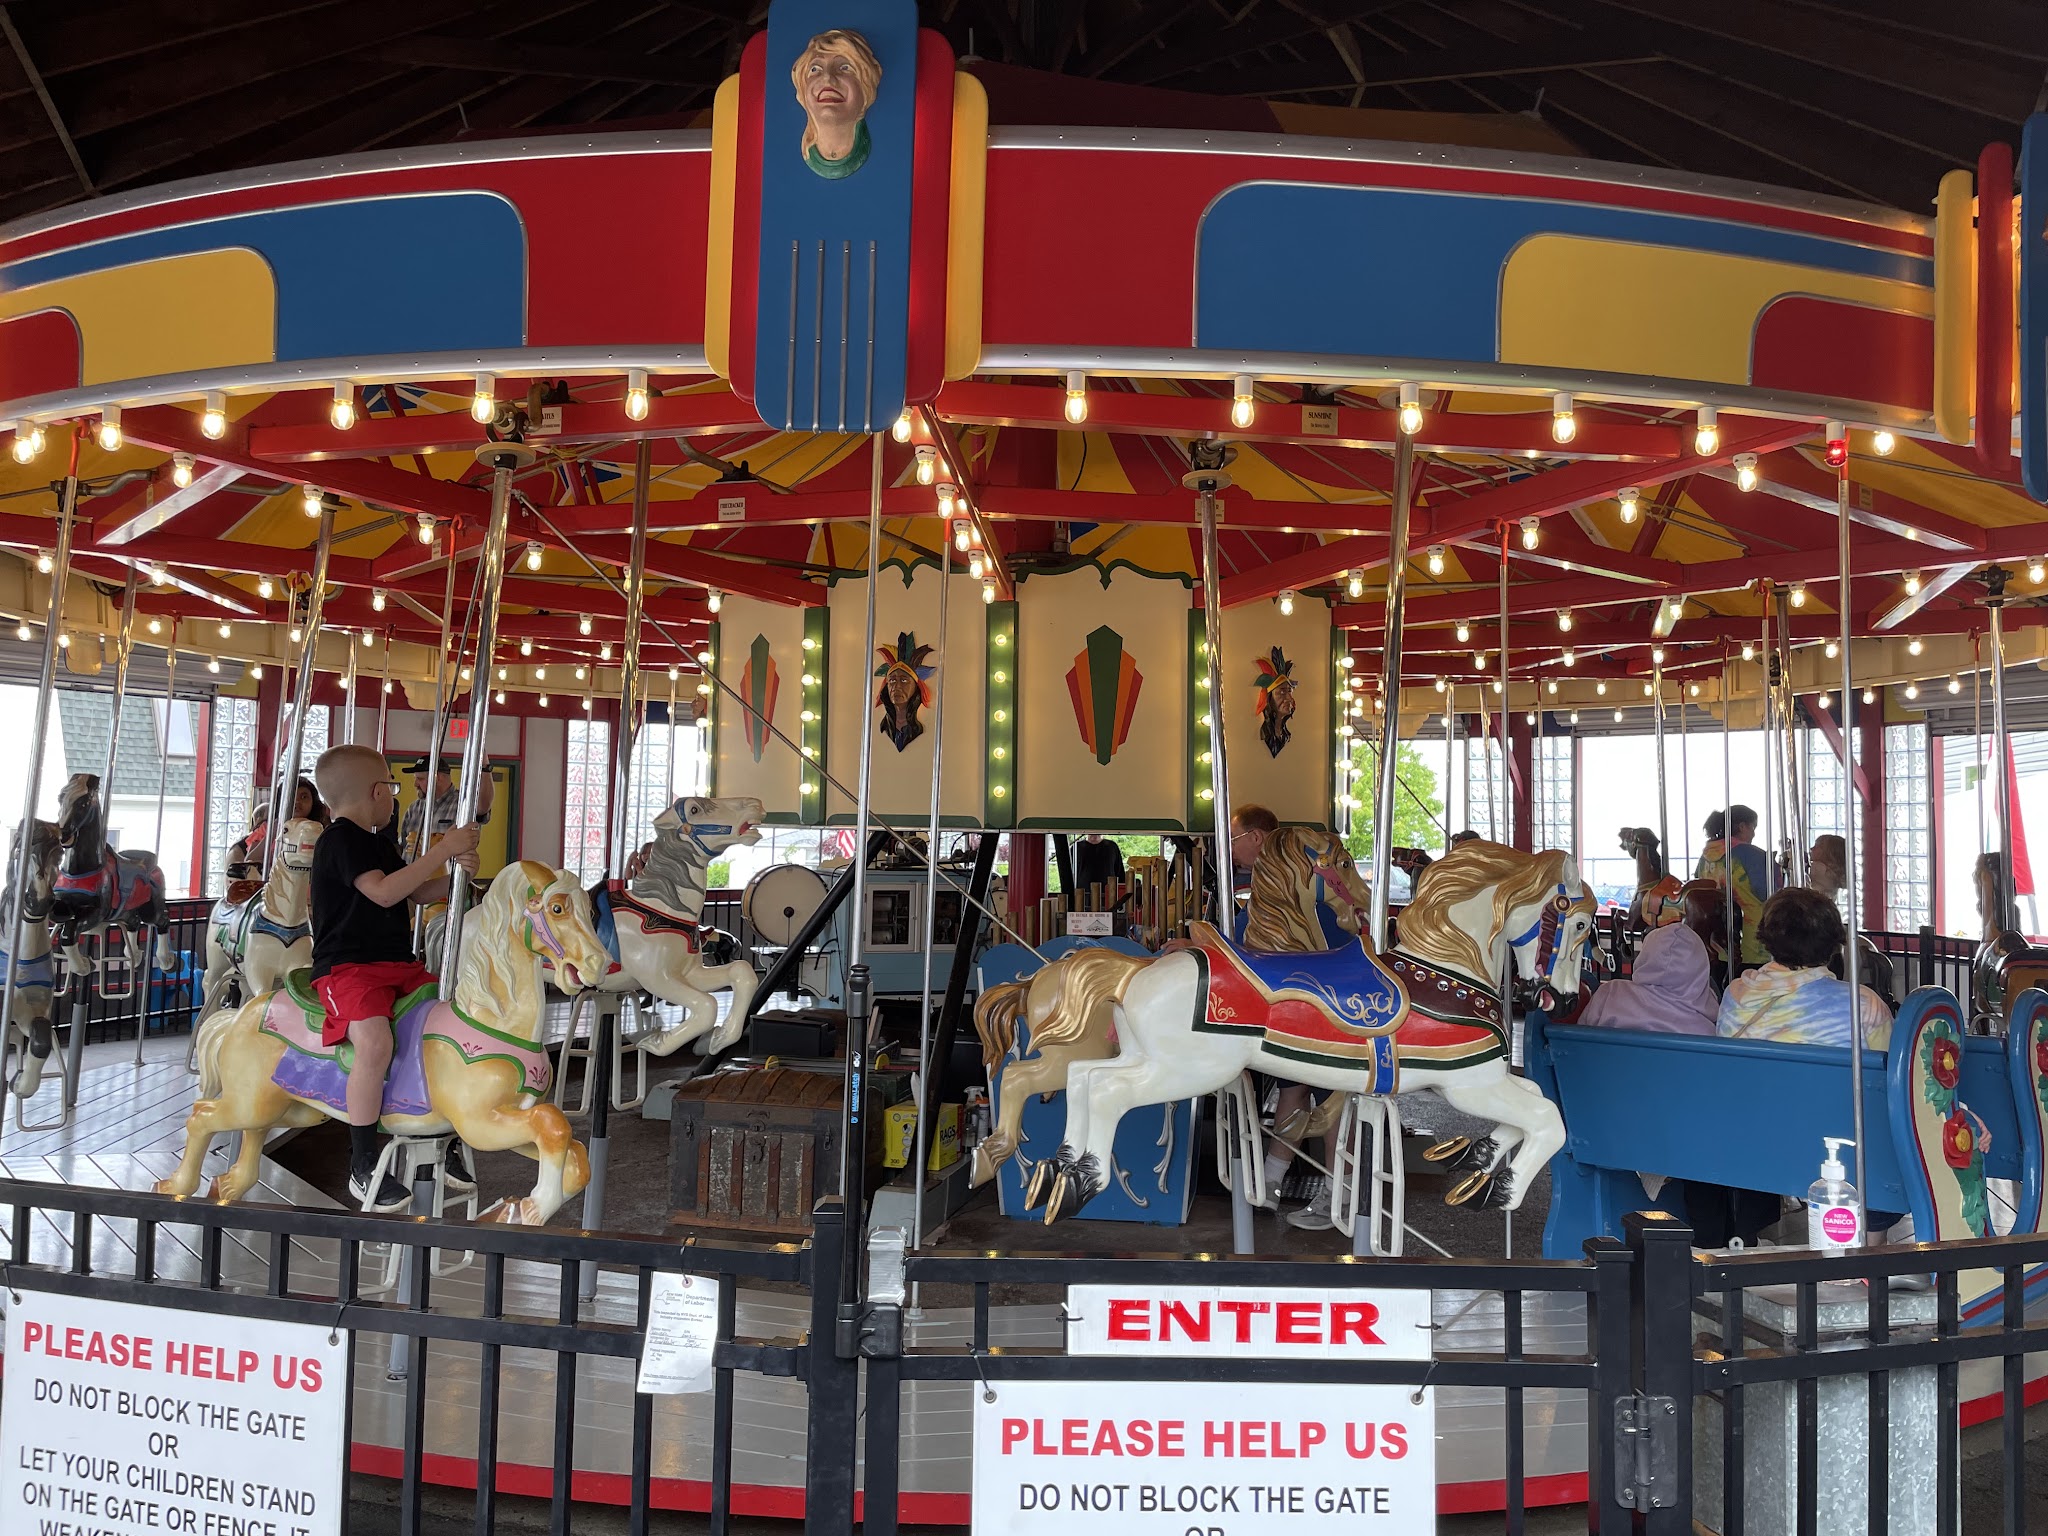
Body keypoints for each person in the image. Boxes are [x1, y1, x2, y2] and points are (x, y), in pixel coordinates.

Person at [310, 745, 480, 1211]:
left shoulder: (376, 840)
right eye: (393, 787)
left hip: (397, 965)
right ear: (377, 791)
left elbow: (416, 890)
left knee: (447, 1025)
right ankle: (363, 1163)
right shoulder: (339, 840)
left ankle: (445, 1136)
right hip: (348, 968)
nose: (395, 798)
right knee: (376, 1044)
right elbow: (385, 894)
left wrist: (455, 877)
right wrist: (443, 848)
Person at [1718, 887, 1892, 1050]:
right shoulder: (1863, 1004)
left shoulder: (1735, 994)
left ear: (1767, 937)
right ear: (1834, 941)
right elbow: (1890, 1071)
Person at [1580, 923, 1719, 1034]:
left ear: (1645, 956)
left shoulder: (1609, 994)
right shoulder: (1706, 1030)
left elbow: (1577, 1038)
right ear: (1700, 965)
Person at [1695, 806, 1775, 967]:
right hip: (1754, 942)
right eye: (1753, 827)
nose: (1753, 833)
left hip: (1717, 942)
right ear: (1742, 826)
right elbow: (1767, 893)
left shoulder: (1705, 858)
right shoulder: (1753, 855)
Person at [401, 758, 458, 854]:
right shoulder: (414, 808)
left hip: (443, 869)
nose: (415, 784)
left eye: (420, 779)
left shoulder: (461, 805)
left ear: (437, 777)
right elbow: (403, 845)